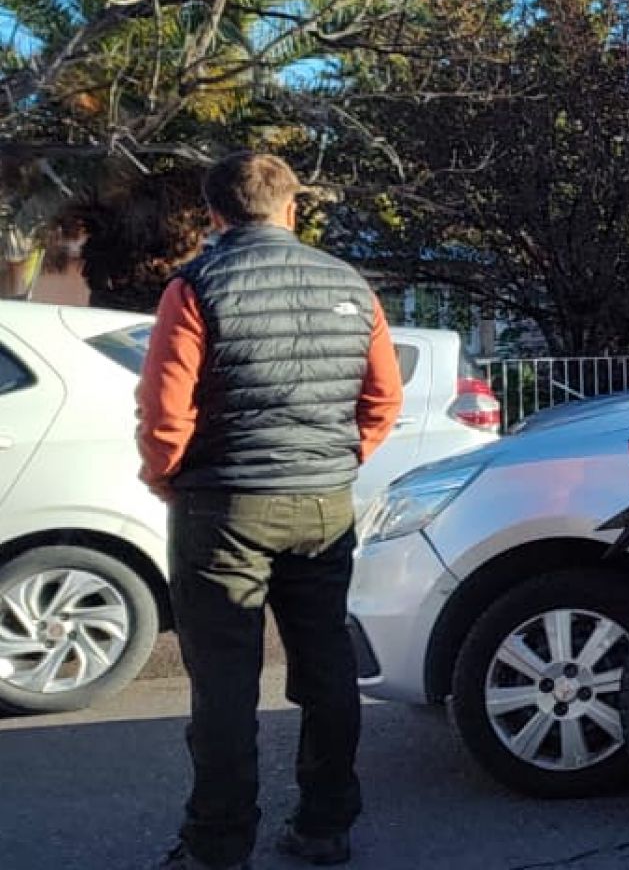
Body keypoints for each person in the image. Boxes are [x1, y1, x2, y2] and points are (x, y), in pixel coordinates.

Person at [140, 153, 403, 869]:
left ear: (216, 215)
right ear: (293, 208)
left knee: (224, 682)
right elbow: (382, 400)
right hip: (323, 505)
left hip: (224, 506)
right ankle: (325, 826)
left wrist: (166, 476)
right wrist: (339, 462)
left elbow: (166, 409)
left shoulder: (196, 284)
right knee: (324, 666)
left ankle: (218, 845)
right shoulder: (352, 284)